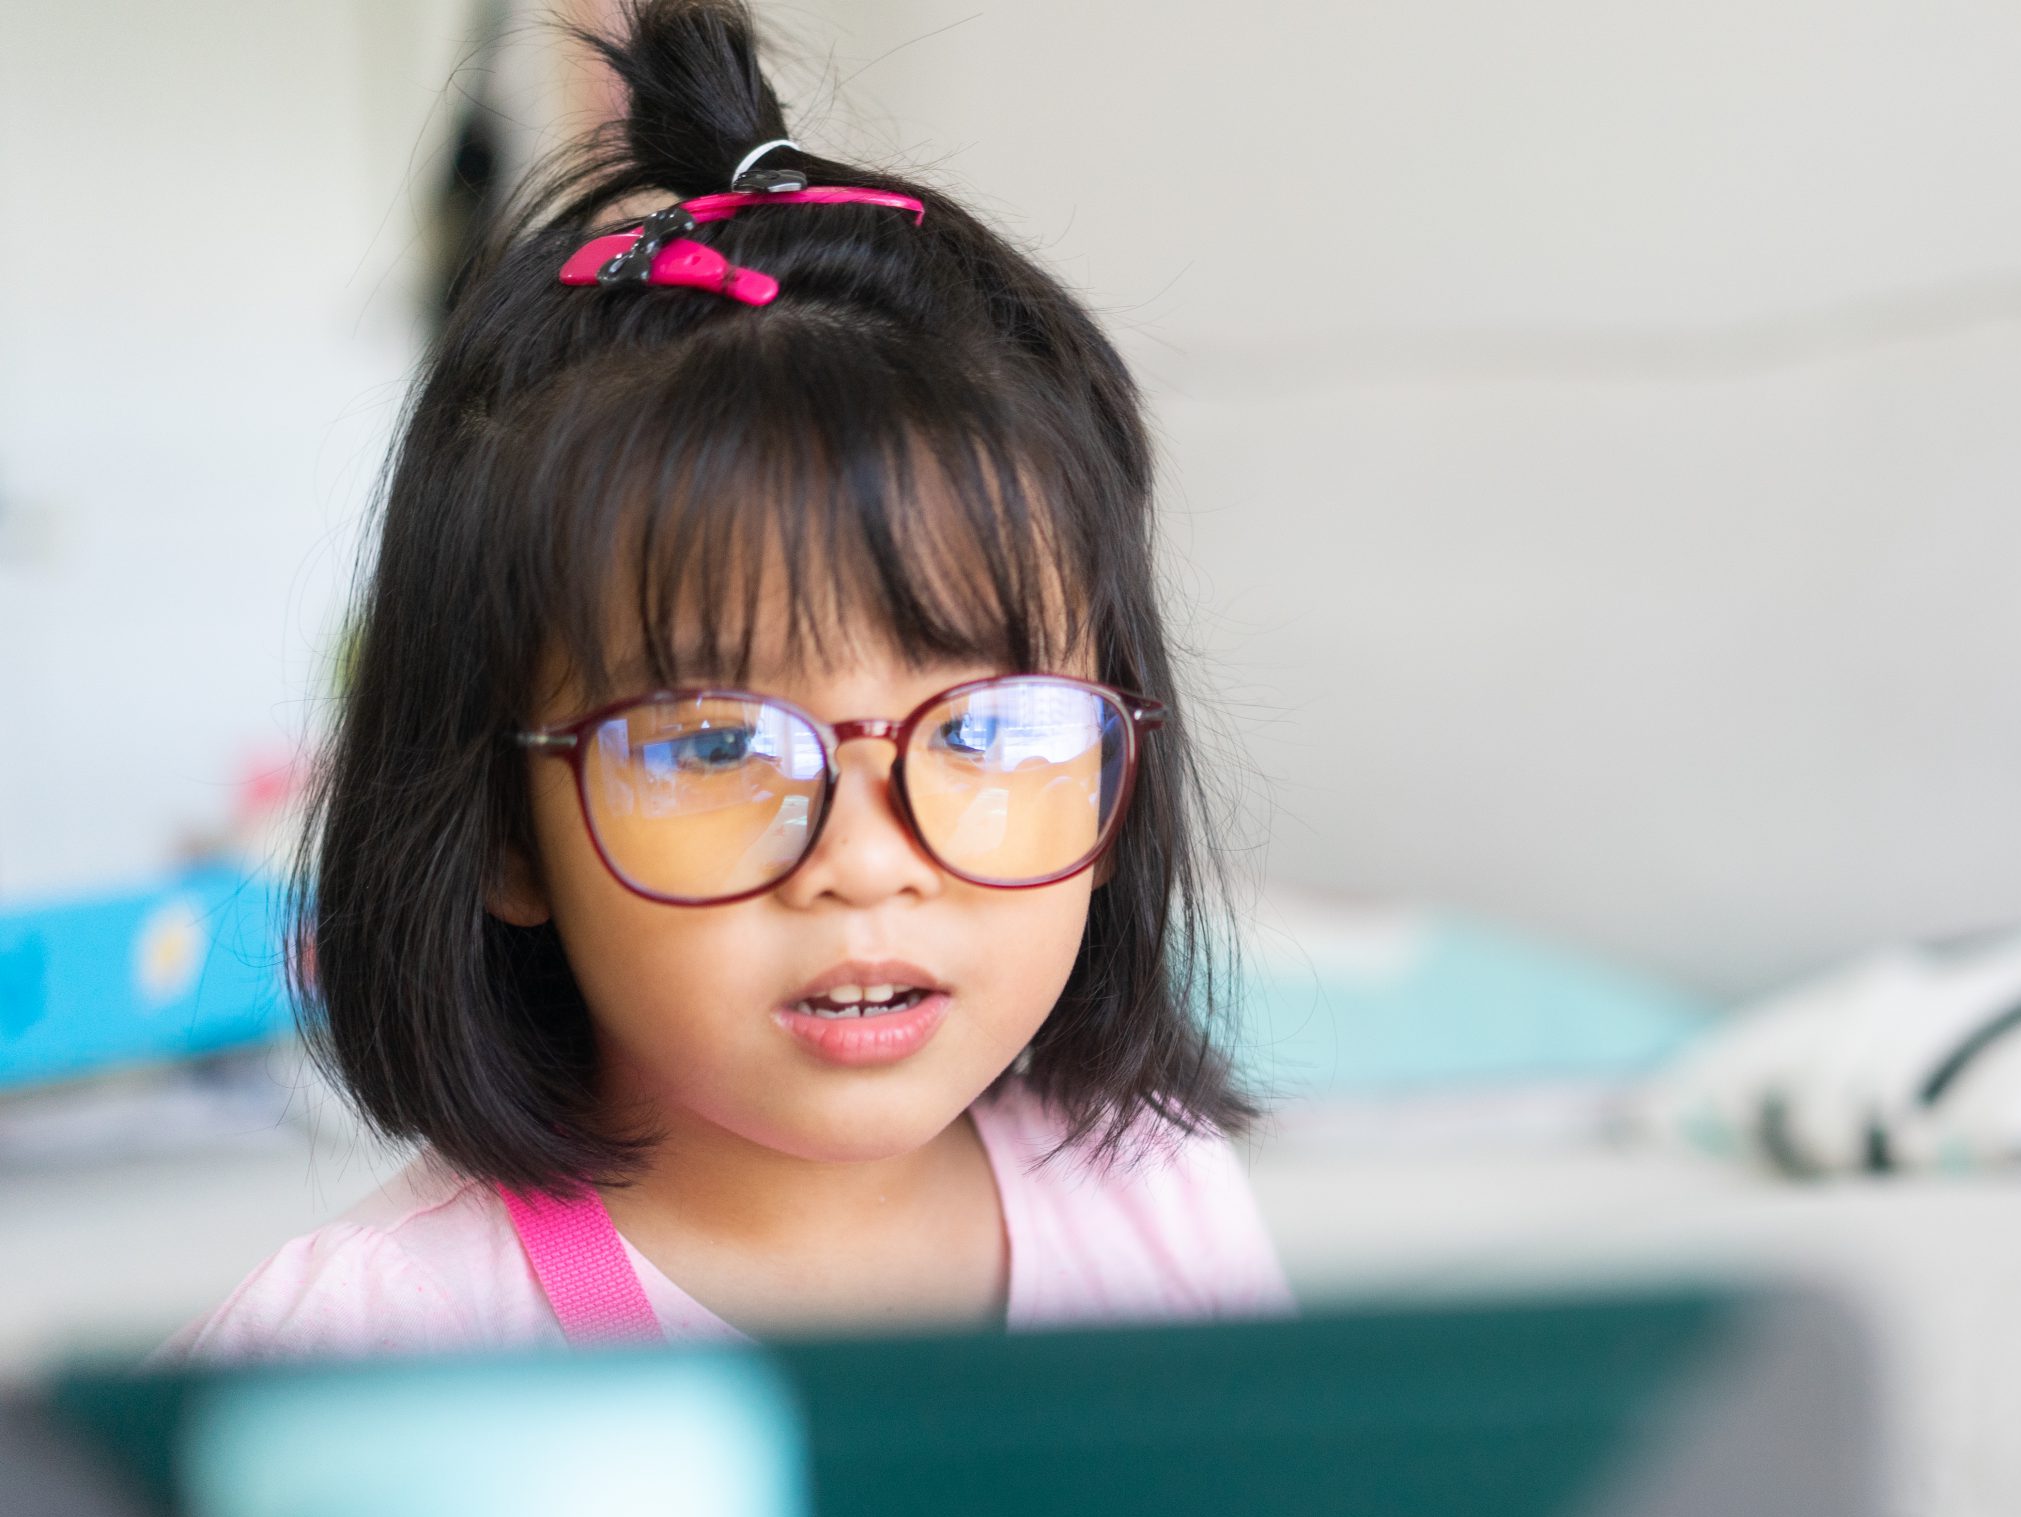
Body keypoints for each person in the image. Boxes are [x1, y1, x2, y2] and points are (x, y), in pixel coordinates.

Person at [167, 0, 1289, 1361]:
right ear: (506, 829)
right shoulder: (374, 1340)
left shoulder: (1155, 1209)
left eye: (992, 727)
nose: (870, 866)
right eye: (712, 747)